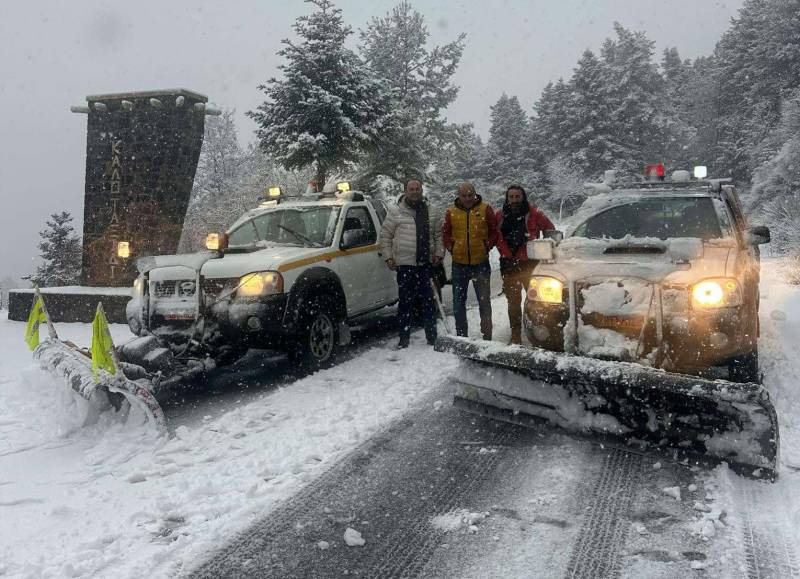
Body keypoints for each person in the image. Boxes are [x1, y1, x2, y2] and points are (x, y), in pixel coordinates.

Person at [379, 179, 444, 349]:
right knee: (405, 303)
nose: (415, 192)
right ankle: (404, 338)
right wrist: (388, 257)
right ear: (406, 191)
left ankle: (432, 337)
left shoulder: (432, 211)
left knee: (428, 302)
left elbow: (438, 236)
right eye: (411, 189)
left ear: (422, 190)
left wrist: (439, 253)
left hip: (425, 264)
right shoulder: (396, 212)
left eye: (417, 189)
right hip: (405, 265)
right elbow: (385, 236)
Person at [495, 185, 555, 344]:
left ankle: (540, 331)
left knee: (537, 300)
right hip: (508, 264)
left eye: (517, 197)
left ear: (523, 197)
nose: (514, 200)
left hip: (531, 264)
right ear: (507, 198)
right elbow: (491, 234)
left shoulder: (534, 213)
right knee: (513, 301)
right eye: (511, 197)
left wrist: (544, 249)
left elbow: (550, 231)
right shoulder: (500, 215)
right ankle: (515, 334)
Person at [443, 182, 498, 340]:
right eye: (464, 195)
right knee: (458, 303)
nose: (467, 198)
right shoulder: (451, 212)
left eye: (470, 195)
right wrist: (451, 248)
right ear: (458, 196)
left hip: (480, 262)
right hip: (459, 264)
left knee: (484, 302)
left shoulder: (485, 209)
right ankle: (462, 337)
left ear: (475, 194)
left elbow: (494, 231)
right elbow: (446, 233)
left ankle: (487, 337)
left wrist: (487, 246)